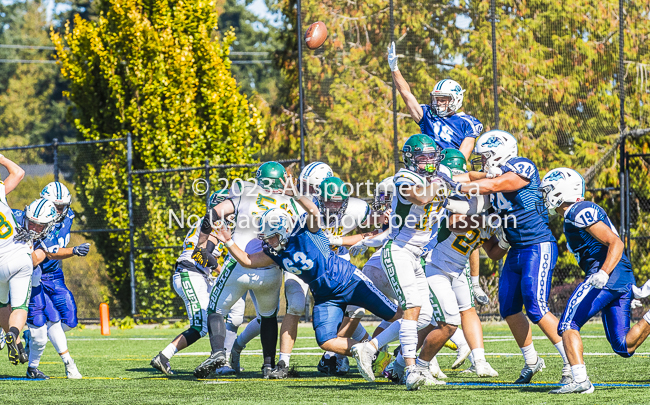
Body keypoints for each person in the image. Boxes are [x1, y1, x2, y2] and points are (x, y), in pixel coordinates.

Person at [209, 177, 405, 383]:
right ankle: (373, 353)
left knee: (400, 316)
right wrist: (229, 241)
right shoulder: (275, 252)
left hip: (349, 281)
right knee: (326, 341)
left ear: (283, 230)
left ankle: (410, 358)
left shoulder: (305, 230)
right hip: (325, 295)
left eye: (271, 237)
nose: (267, 242)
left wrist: (296, 195)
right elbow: (248, 261)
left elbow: (313, 211)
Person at [446, 129, 572, 384]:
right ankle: (532, 360)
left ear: (498, 153)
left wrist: (457, 186)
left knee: (536, 308)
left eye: (485, 156)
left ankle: (571, 363)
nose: (482, 162)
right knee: (509, 309)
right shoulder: (492, 177)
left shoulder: (520, 167)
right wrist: (440, 180)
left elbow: (494, 184)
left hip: (538, 245)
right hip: (515, 248)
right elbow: (472, 176)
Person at [541, 168, 650, 394]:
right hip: (618, 275)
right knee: (623, 346)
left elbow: (616, 243)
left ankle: (580, 379)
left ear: (562, 191)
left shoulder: (578, 210)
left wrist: (604, 273)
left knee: (568, 323)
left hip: (608, 274)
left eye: (548, 190)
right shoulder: (575, 213)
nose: (544, 195)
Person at [191, 162, 301, 379]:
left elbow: (212, 215)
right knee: (268, 317)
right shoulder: (293, 205)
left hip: (239, 262)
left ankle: (218, 353)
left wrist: (202, 246)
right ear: (282, 180)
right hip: (270, 268)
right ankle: (268, 365)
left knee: (215, 309)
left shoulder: (245, 195)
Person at [378, 134, 450, 386]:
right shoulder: (404, 177)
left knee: (425, 315)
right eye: (423, 157)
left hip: (416, 255)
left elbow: (466, 179)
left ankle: (373, 347)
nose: (429, 161)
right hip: (398, 249)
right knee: (410, 309)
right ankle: (411, 370)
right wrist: (441, 182)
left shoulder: (437, 177)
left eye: (433, 156)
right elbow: (421, 197)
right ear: (410, 159)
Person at [150, 190, 229, 375]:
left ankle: (222, 359)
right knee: (201, 326)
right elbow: (202, 256)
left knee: (217, 315)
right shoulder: (215, 224)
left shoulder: (207, 222)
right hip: (191, 274)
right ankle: (163, 357)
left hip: (197, 275)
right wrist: (223, 271)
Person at [22, 182, 90, 379]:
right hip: (34, 274)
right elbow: (47, 253)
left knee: (69, 319)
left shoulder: (66, 216)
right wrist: (73, 251)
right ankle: (65, 362)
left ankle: (31, 337)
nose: (60, 211)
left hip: (53, 274)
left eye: (63, 206)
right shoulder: (35, 218)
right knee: (49, 319)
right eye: (56, 206)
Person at [387, 42, 483, 160]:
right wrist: (394, 69)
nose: (438, 103)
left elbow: (461, 159)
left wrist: (449, 169)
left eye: (443, 99)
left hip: (451, 169)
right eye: (437, 99)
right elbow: (406, 93)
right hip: (425, 167)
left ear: (457, 100)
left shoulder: (467, 123)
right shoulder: (427, 115)